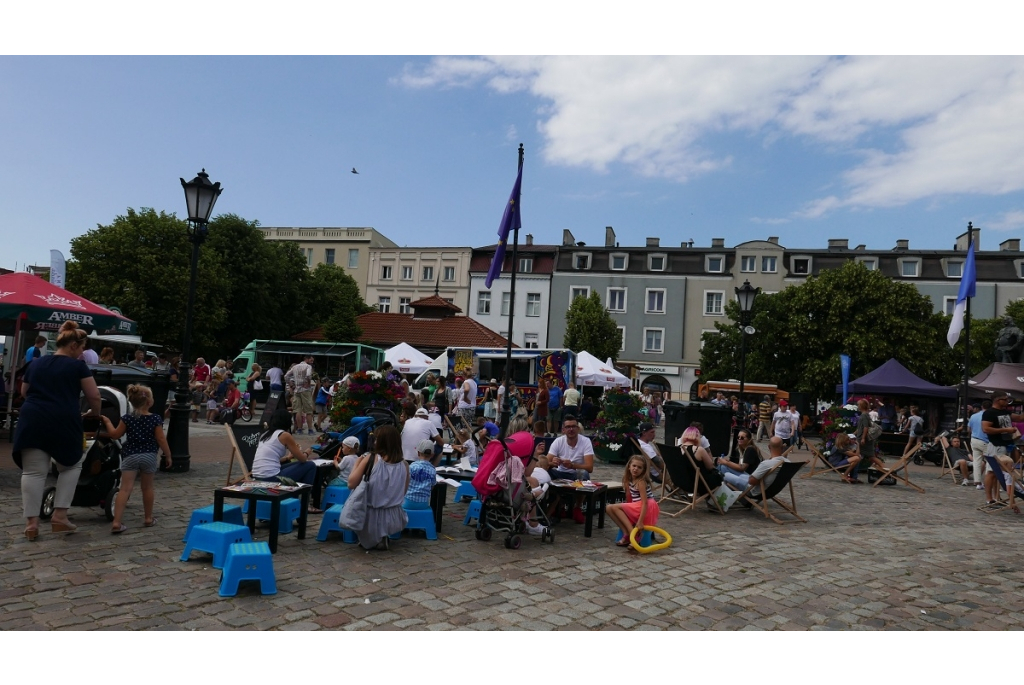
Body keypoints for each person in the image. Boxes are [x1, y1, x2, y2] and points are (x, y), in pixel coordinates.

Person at [14, 321, 102, 541]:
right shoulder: (77, 366)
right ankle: (60, 516)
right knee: (72, 464)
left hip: (32, 417)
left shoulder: (36, 363)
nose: (83, 352)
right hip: (63, 419)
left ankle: (31, 524)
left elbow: (24, 391)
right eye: (82, 347)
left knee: (33, 472)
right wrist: (95, 412)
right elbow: (94, 395)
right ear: (73, 345)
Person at [101, 385, 171, 533]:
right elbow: (160, 439)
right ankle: (148, 518)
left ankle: (117, 522)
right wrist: (167, 455)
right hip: (149, 455)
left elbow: (115, 435)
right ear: (149, 402)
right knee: (147, 488)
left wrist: (107, 422)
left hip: (130, 455)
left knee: (125, 489)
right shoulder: (155, 418)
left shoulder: (127, 418)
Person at [347, 425, 410, 550]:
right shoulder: (405, 465)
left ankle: (373, 537)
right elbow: (403, 491)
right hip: (394, 516)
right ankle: (382, 536)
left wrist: (357, 464)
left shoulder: (371, 458)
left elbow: (351, 483)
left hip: (369, 514)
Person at [251, 410, 318, 490]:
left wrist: (287, 458)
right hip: (272, 478)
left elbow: (269, 459)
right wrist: (307, 452)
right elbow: (303, 459)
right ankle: (304, 496)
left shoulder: (265, 434)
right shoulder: (285, 435)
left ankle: (294, 495)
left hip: (257, 475)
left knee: (295, 464)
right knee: (310, 465)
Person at [606, 455, 660, 550]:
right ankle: (626, 532)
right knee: (608, 508)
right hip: (636, 505)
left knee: (614, 507)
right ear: (629, 466)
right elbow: (629, 498)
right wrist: (627, 513)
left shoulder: (641, 482)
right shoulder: (627, 479)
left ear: (643, 470)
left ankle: (633, 535)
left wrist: (639, 522)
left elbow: (645, 503)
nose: (636, 469)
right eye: (634, 466)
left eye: (639, 467)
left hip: (647, 506)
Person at [678, 426, 722, 490]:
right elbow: (710, 467)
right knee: (718, 477)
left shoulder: (678, 449)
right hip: (698, 484)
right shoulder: (699, 450)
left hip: (681, 482)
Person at [286, 354, 316, 435]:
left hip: (297, 390)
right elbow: (308, 375)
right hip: (305, 390)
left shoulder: (295, 367)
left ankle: (299, 429)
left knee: (297, 410)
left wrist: (291, 383)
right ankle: (310, 429)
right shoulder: (308, 367)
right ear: (307, 359)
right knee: (308, 410)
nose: (312, 362)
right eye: (311, 360)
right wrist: (308, 382)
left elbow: (286, 376)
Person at [404, 439, 438, 510]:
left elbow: (405, 483)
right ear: (432, 455)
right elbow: (432, 486)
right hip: (423, 504)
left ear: (418, 453)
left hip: (407, 502)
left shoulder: (411, 467)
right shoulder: (432, 470)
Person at [968, 400, 991, 490]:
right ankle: (987, 482)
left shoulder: (973, 416)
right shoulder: (989, 416)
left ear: (982, 407)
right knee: (989, 462)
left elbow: (969, 429)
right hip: (985, 440)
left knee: (977, 461)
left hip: (974, 439)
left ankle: (977, 482)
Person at [855, 399, 877, 464]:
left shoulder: (864, 415)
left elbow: (865, 427)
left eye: (858, 404)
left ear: (861, 406)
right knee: (870, 456)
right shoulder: (866, 414)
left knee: (870, 456)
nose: (857, 406)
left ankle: (883, 467)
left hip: (863, 437)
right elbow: (860, 427)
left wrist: (863, 438)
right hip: (862, 436)